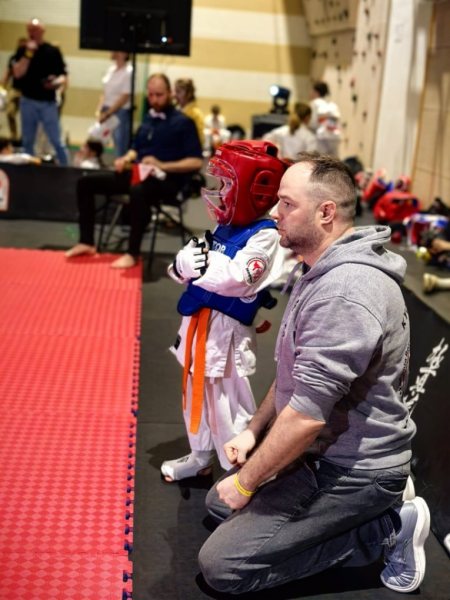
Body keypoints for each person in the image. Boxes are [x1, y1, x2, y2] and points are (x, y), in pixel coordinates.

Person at [198, 153, 430, 595]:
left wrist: (247, 483)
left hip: (353, 468)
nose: (274, 212)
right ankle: (362, 513)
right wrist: (253, 431)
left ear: (326, 213)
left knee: (223, 568)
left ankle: (387, 527)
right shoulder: (321, 269)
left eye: (287, 204)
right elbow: (297, 373)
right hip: (322, 450)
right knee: (218, 503)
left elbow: (306, 416)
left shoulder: (344, 290)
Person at [161, 140, 288, 482]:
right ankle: (200, 457)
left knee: (228, 407)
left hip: (226, 336)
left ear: (254, 190)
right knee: (194, 397)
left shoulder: (266, 235)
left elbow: (238, 279)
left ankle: (241, 474)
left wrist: (199, 265)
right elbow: (188, 269)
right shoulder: (225, 227)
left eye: (228, 184)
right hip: (197, 327)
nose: (220, 191)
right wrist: (182, 264)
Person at [65, 73, 203, 268]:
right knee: (85, 183)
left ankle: (133, 253)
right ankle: (86, 241)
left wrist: (161, 165)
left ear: (170, 93)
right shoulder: (148, 118)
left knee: (138, 191)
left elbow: (196, 162)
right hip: (139, 174)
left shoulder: (184, 123)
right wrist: (126, 158)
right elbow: (136, 149)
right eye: (151, 95)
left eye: (159, 95)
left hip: (168, 181)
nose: (154, 100)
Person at [11, 18, 69, 165]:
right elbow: (17, 73)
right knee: (28, 140)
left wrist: (55, 83)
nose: (32, 33)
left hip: (47, 103)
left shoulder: (52, 51)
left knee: (56, 139)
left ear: (42, 31)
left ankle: (65, 167)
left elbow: (63, 76)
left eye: (35, 30)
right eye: (30, 30)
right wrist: (28, 54)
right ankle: (28, 168)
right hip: (28, 101)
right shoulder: (22, 51)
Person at [94, 52, 132, 157]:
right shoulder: (111, 69)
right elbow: (105, 92)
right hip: (106, 108)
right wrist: (99, 109)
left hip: (119, 111)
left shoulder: (128, 72)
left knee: (120, 143)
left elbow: (125, 96)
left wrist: (108, 113)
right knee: (99, 140)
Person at [1, 37, 27, 143]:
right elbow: (8, 73)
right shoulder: (13, 58)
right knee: (10, 112)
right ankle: (14, 135)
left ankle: (24, 137)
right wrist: (2, 85)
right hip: (14, 89)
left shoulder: (29, 59)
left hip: (26, 91)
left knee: (26, 115)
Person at [309, 81, 341, 157]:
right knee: (333, 160)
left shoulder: (315, 103)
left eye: (312, 91)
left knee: (321, 160)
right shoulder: (332, 105)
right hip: (334, 137)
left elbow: (313, 123)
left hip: (321, 138)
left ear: (317, 92)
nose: (311, 93)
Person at [173, 77, 205, 147]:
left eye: (178, 92)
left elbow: (200, 140)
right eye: (175, 91)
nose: (174, 95)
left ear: (188, 94)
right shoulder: (177, 110)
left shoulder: (196, 114)